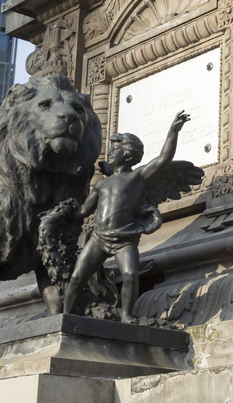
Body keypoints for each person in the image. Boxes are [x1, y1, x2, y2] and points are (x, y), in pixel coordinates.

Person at [63, 111, 191, 322]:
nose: (110, 154)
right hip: (98, 237)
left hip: (124, 237)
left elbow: (163, 159)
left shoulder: (137, 176)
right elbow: (84, 211)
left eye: (115, 150)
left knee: (131, 275)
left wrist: (173, 132)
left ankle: (127, 315)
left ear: (129, 155)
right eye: (111, 150)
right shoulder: (102, 183)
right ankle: (65, 316)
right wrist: (65, 210)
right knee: (77, 276)